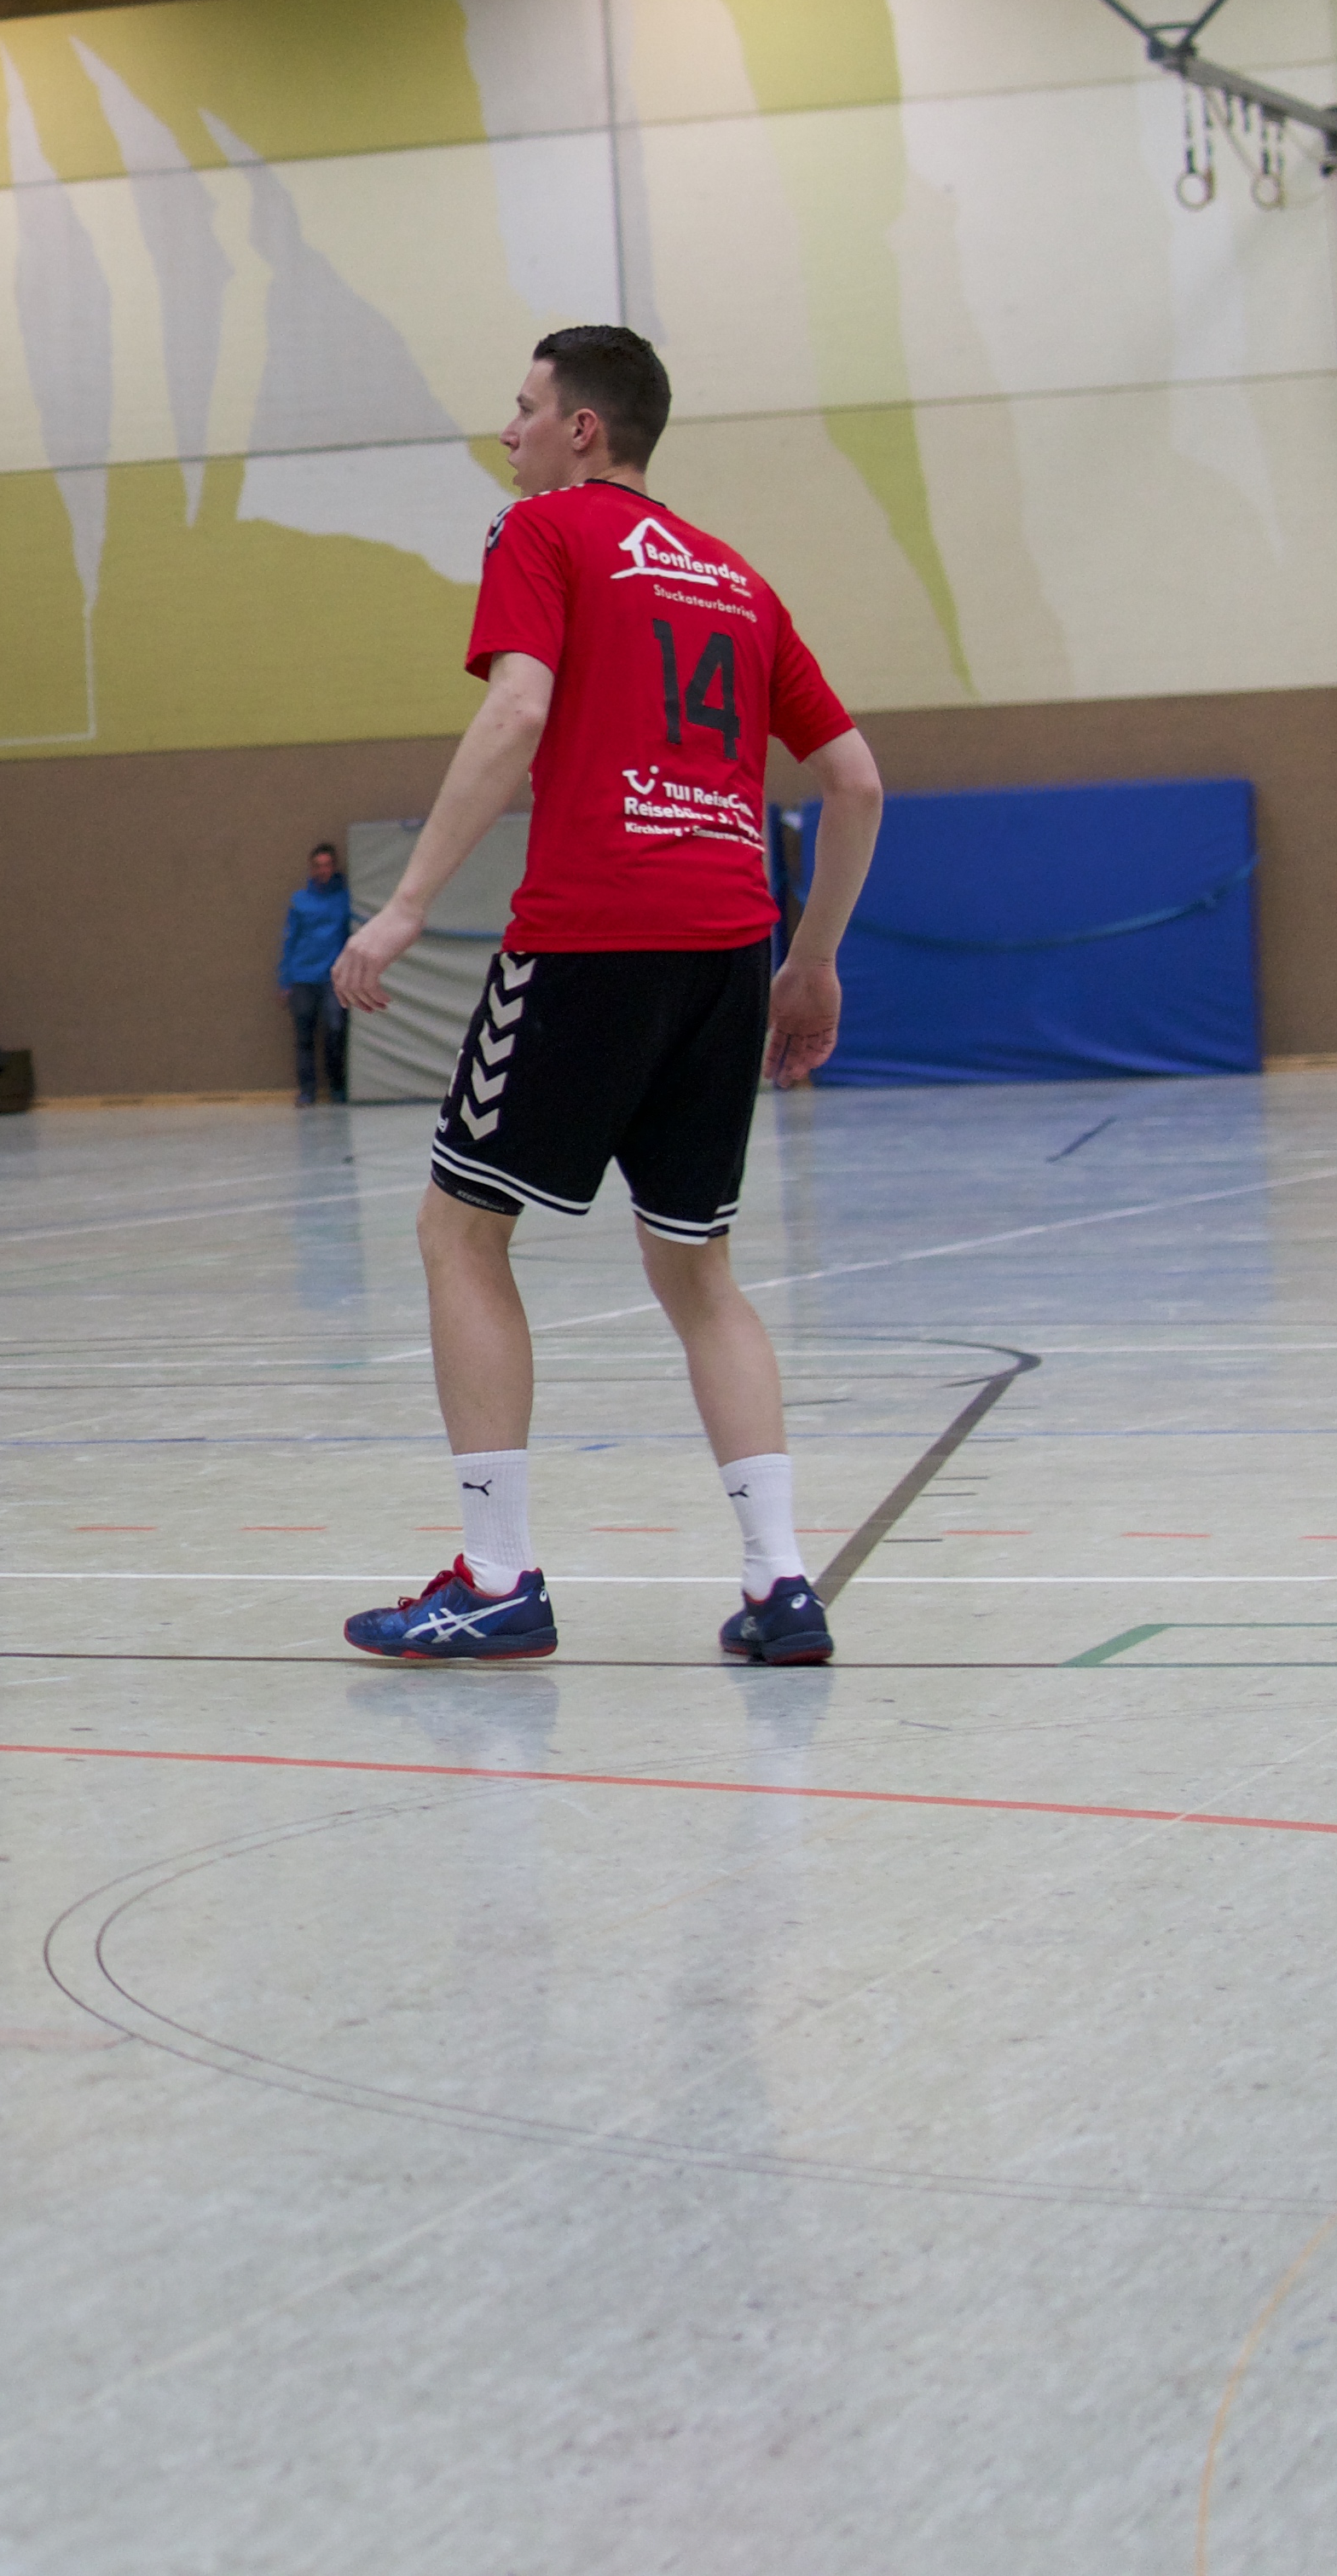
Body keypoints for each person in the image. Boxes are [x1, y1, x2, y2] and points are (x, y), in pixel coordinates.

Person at [332, 324, 889, 1672]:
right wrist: (809, 961)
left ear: (585, 429)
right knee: (699, 1269)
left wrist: (406, 905)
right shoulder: (737, 579)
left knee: (460, 1229)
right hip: (726, 948)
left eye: (522, 408)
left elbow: (517, 712)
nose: (506, 430)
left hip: (591, 934)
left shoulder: (546, 534)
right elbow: (857, 779)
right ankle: (780, 1583)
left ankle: (497, 1574)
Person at [278, 842, 356, 1106]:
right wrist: (284, 979)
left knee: (335, 1031)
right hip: (302, 978)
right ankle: (307, 1090)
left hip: (333, 979)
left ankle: (338, 1087)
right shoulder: (299, 901)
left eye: (327, 865)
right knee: (304, 1036)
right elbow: (289, 940)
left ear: (334, 867)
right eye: (318, 866)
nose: (323, 870)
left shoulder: (346, 899)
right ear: (311, 869)